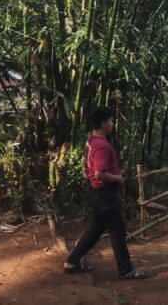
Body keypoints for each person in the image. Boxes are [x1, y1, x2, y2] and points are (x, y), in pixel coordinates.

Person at [63, 107, 148, 279]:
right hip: (105, 194)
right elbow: (100, 174)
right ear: (103, 124)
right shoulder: (102, 145)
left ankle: (71, 262)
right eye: (111, 121)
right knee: (118, 231)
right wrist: (118, 178)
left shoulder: (91, 140)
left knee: (96, 229)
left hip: (96, 193)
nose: (112, 124)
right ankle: (126, 270)